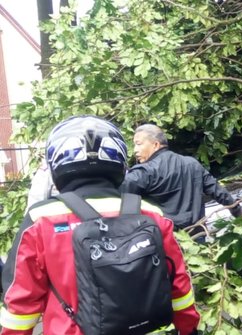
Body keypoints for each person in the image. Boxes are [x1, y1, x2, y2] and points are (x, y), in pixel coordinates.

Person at [1, 116, 200, 334]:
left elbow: (21, 305)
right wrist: (189, 329)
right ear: (119, 162)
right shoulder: (152, 214)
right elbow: (179, 286)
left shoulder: (41, 220)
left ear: (57, 163)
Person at [119, 124, 242, 231]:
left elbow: (122, 204)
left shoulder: (144, 172)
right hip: (197, 235)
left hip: (166, 240)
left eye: (139, 144)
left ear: (156, 145)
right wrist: (239, 213)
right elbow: (219, 192)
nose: (135, 150)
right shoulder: (192, 164)